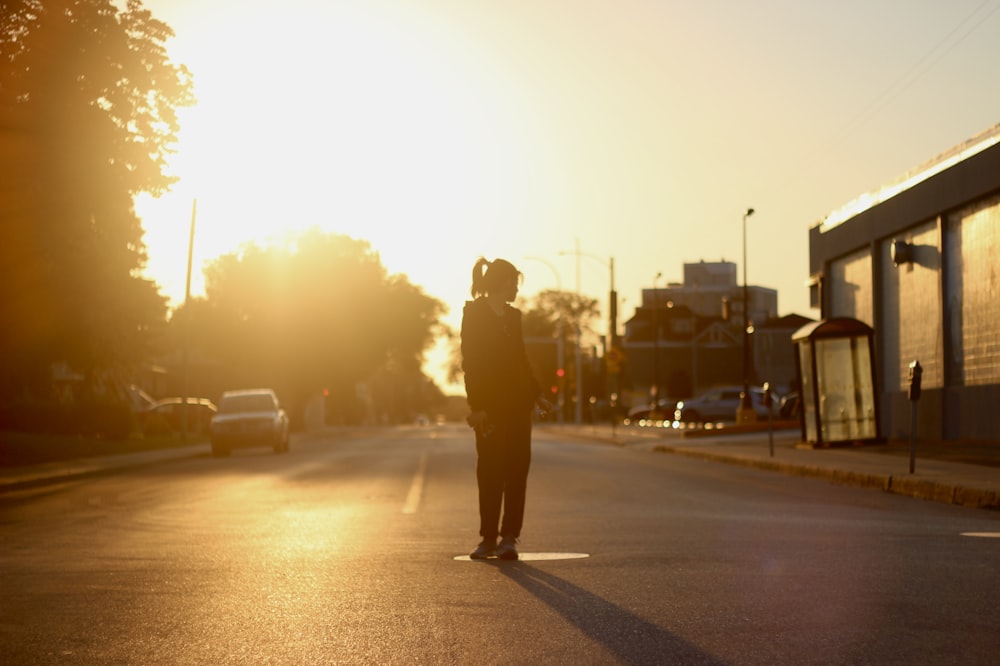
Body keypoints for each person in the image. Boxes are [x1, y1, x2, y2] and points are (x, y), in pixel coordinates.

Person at [461, 257, 551, 560]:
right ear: (502, 283)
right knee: (490, 470)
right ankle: (487, 538)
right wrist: (477, 406)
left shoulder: (514, 317)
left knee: (516, 470)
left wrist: (537, 395)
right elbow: (470, 363)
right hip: (490, 408)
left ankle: (509, 537)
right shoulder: (473, 314)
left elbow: (521, 359)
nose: (516, 289)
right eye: (514, 283)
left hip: (518, 404)